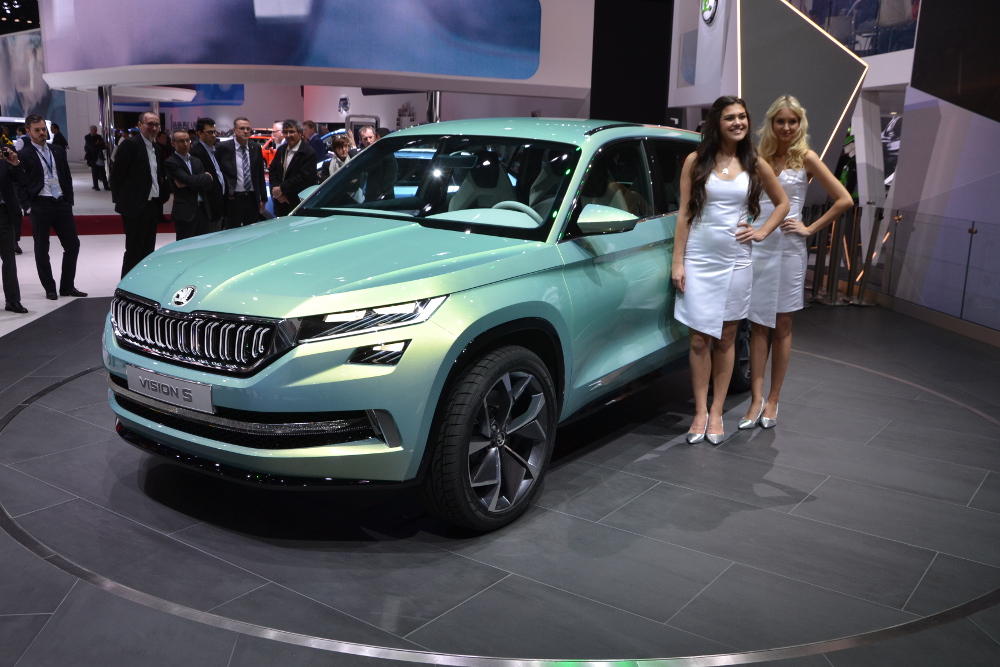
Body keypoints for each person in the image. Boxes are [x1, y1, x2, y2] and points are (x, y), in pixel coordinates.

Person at [672, 95, 789, 445]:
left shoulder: (754, 163)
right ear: (716, 123)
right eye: (729, 118)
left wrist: (762, 232)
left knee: (726, 338)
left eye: (742, 117)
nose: (738, 122)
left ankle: (717, 411)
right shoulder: (696, 161)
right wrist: (678, 261)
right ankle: (699, 412)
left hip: (737, 260)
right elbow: (684, 213)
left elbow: (782, 204)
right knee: (698, 339)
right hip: (699, 258)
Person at [739, 95, 854, 430]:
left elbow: (844, 199)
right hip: (759, 245)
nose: (787, 127)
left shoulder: (806, 157)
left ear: (800, 124)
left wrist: (810, 228)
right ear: (771, 123)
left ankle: (774, 399)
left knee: (783, 325)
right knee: (758, 324)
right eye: (781, 121)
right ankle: (755, 400)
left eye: (793, 121)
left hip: (789, 248)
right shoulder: (758, 157)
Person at [15, 114, 87, 300]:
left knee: (73, 245)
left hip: (61, 203)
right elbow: (19, 184)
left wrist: (69, 200)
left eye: (43, 129)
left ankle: (67, 286)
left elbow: (66, 176)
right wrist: (27, 207)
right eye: (37, 130)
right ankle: (50, 288)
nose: (42, 132)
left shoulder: (57, 150)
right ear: (28, 131)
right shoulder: (24, 155)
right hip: (40, 204)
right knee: (42, 249)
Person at [110, 112, 170, 277]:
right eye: (150, 124)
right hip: (135, 207)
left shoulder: (157, 148)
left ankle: (142, 283)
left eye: (156, 125)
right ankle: (126, 285)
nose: (154, 128)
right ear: (140, 125)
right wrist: (122, 202)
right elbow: (116, 175)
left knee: (148, 250)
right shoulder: (130, 144)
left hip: (152, 205)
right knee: (134, 250)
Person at [164, 130, 214, 241]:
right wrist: (206, 177)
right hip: (185, 212)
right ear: (173, 143)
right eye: (181, 141)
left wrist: (191, 181)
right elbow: (188, 180)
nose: (186, 144)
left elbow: (207, 185)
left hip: (203, 210)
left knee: (203, 245)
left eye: (188, 140)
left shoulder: (196, 161)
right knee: (185, 245)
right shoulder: (171, 162)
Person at [219, 116, 268, 228]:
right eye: (242, 128)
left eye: (248, 129)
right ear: (234, 130)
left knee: (251, 230)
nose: (245, 131)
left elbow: (260, 174)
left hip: (252, 197)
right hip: (233, 198)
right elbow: (219, 173)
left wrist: (263, 198)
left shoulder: (255, 147)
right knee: (232, 230)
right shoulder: (223, 148)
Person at [269, 119, 317, 217]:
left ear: (300, 133)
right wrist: (276, 190)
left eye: (291, 132)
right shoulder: (281, 150)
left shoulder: (308, 153)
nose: (288, 135)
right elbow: (273, 170)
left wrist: (281, 188)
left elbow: (304, 178)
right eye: (285, 132)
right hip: (280, 203)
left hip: (298, 203)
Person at [0, 144, 27, 313]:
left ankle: (12, 300)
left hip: (4, 214)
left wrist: (15, 164)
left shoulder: (4, 156)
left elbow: (22, 181)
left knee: (9, 259)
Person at [189, 117, 226, 232]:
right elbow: (200, 181)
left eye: (215, 132)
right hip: (207, 205)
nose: (214, 135)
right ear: (199, 133)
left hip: (218, 202)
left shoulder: (214, 150)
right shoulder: (196, 153)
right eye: (209, 132)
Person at [83, 125, 110, 191]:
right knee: (95, 173)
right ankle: (96, 186)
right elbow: (91, 147)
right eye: (95, 130)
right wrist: (98, 144)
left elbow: (103, 145)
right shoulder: (87, 137)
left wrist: (98, 145)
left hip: (100, 156)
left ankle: (106, 186)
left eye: (96, 130)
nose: (96, 131)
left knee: (103, 172)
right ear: (91, 130)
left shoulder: (99, 136)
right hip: (92, 157)